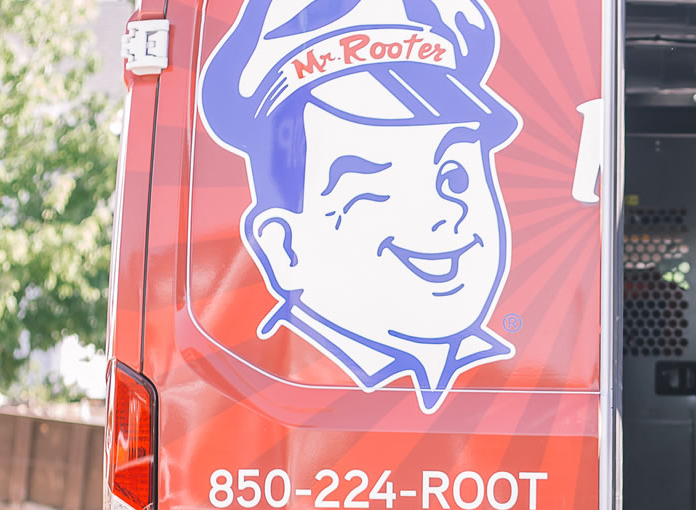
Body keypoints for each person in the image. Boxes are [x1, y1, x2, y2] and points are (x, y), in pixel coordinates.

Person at [199, 0, 523, 413]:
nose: (441, 211)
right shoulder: (268, 376)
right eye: (375, 188)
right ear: (285, 248)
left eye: (454, 176)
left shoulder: (509, 368)